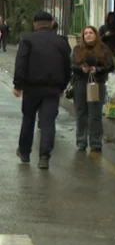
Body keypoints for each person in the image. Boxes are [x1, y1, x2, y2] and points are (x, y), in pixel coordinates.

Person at [13, 11, 71, 169]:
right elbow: (67, 65)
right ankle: (44, 156)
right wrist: (63, 85)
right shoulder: (61, 41)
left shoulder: (27, 39)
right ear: (52, 23)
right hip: (53, 88)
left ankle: (24, 152)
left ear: (34, 24)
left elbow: (21, 63)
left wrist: (18, 85)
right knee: (48, 122)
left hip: (32, 88)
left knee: (28, 119)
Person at [71, 26, 115, 152]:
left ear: (96, 35)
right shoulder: (77, 49)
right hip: (80, 83)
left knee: (95, 114)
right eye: (86, 33)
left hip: (97, 84)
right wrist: (81, 69)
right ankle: (81, 141)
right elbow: (72, 65)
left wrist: (98, 70)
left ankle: (95, 142)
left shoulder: (104, 49)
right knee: (81, 113)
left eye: (91, 33)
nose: (88, 35)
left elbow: (110, 66)